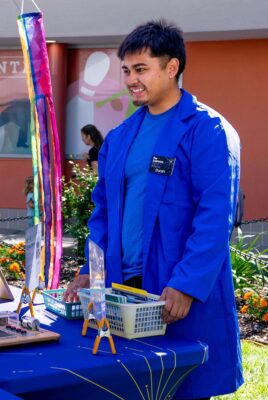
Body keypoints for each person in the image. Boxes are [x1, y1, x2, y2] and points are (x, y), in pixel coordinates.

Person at [63, 20, 243, 399]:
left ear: (172, 67)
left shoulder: (208, 131)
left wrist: (186, 284)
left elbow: (213, 218)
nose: (131, 79)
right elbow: (103, 214)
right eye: (126, 70)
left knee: (181, 386)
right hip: (120, 288)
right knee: (126, 386)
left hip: (172, 289)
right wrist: (90, 271)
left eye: (141, 69)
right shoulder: (121, 136)